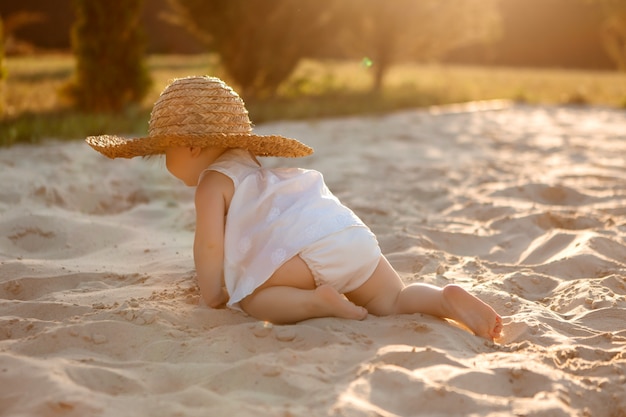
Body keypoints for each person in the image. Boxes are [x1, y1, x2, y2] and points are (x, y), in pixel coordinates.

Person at [86, 76, 503, 341]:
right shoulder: (251, 167)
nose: (164, 162)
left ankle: (318, 303)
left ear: (192, 146)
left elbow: (209, 246)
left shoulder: (212, 183)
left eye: (164, 152)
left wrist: (213, 292)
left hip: (306, 254)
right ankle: (442, 300)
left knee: (252, 296)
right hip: (346, 234)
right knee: (394, 298)